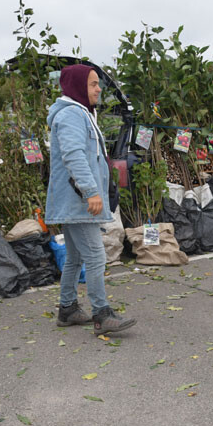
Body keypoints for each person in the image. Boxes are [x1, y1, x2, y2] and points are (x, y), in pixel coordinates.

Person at [45, 64, 136, 334]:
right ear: (77, 87)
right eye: (93, 84)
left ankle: (68, 308)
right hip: (79, 201)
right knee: (96, 256)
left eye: (99, 84)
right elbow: (73, 155)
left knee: (74, 258)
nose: (99, 89)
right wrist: (91, 192)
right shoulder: (72, 115)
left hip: (75, 200)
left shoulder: (81, 114)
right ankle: (102, 314)